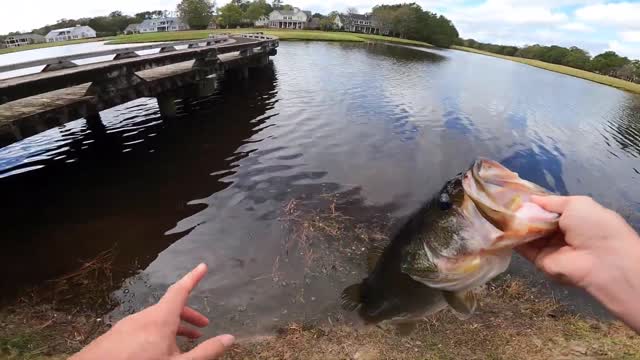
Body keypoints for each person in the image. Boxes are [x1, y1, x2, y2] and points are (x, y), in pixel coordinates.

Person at [72, 195, 640, 359]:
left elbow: (454, 278)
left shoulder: (452, 268)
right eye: (449, 208)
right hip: (405, 291)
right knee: (381, 303)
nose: (455, 207)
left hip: (422, 287)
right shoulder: (446, 273)